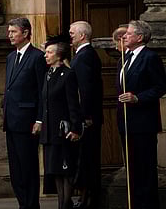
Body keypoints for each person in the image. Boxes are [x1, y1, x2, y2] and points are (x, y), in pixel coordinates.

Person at [117, 20, 166, 209]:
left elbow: (160, 86)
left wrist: (138, 98)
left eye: (128, 33)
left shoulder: (149, 57)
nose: (124, 36)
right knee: (132, 171)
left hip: (143, 123)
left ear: (140, 37)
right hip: (127, 122)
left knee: (144, 170)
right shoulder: (125, 56)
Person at [2, 17, 46, 209]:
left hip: (28, 121)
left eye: (13, 32)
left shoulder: (37, 57)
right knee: (16, 168)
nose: (9, 35)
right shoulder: (11, 57)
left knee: (28, 166)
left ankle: (31, 204)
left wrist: (39, 119)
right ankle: (22, 203)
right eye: (9, 31)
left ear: (26, 33)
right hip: (11, 120)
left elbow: (42, 91)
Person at [39, 36, 82, 209]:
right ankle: (61, 203)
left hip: (63, 129)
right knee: (54, 169)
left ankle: (66, 204)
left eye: (49, 52)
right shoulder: (48, 74)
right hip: (49, 130)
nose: (46, 55)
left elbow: (73, 103)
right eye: (46, 52)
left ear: (59, 55)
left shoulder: (68, 74)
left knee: (66, 169)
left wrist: (76, 127)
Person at [69, 21, 103, 209]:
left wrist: (84, 117)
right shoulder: (83, 55)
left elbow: (86, 90)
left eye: (72, 33)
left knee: (87, 159)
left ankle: (87, 200)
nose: (70, 36)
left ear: (82, 36)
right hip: (88, 117)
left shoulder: (84, 56)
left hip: (87, 119)